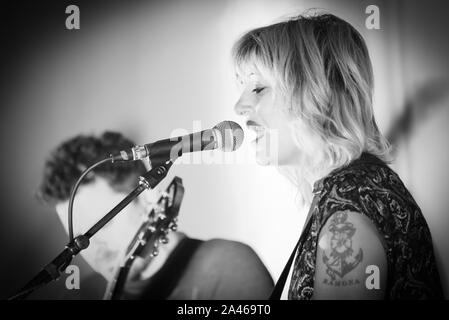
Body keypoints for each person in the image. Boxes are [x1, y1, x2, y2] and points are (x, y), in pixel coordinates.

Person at [232, 12, 444, 299]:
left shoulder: (347, 219)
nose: (240, 106)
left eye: (258, 88)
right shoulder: (351, 192)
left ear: (316, 93)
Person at [37, 131, 274, 299]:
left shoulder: (225, 266)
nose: (92, 248)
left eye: (102, 225)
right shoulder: (83, 293)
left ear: (147, 197)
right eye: (78, 239)